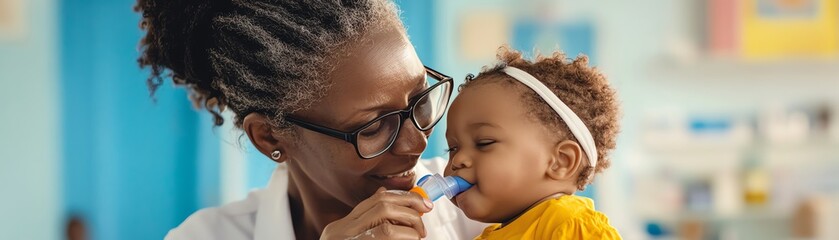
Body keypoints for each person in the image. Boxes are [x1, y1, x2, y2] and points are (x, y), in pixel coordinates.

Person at [134, 0, 485, 239]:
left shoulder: (486, 208)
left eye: (419, 99)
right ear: (270, 137)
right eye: (374, 127)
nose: (418, 142)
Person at [443, 46, 622, 239]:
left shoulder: (569, 224)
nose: (458, 159)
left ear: (561, 161)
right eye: (453, 148)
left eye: (484, 143)